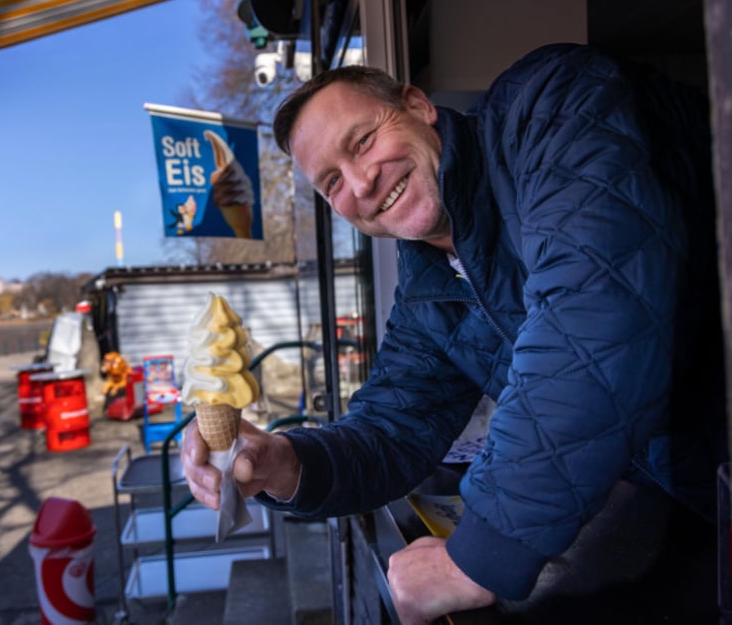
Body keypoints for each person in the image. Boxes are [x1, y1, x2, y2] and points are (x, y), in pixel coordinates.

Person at [181, 43, 724, 623]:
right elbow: (393, 430)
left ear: (418, 106)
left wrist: (477, 557)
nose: (361, 184)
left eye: (362, 142)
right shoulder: (428, 287)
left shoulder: (551, 104)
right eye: (332, 183)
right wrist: (284, 461)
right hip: (700, 499)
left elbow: (597, 311)